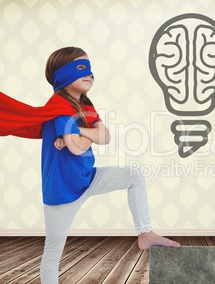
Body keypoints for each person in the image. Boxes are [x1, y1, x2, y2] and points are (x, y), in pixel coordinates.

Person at [39, 47, 180, 283]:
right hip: (62, 192)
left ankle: (145, 233)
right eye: (81, 68)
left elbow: (105, 136)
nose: (90, 74)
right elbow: (77, 147)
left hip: (88, 178)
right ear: (62, 75)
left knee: (134, 174)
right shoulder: (59, 106)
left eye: (90, 68)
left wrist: (79, 132)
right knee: (53, 255)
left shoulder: (85, 105)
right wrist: (85, 134)